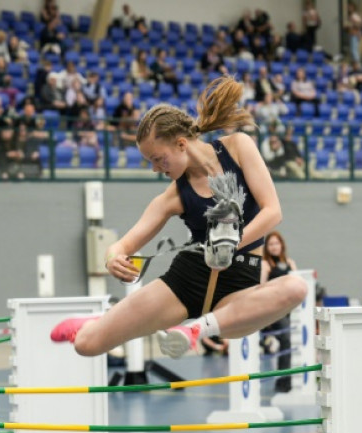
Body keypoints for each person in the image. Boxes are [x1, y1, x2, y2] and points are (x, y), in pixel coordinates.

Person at [50, 77, 307, 358]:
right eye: (151, 162)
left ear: (182, 144)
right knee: (86, 345)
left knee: (296, 287)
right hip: (186, 282)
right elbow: (122, 246)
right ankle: (94, 325)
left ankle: (196, 330)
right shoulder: (173, 197)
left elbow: (273, 211)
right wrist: (113, 259)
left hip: (239, 287)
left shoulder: (237, 147)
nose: (155, 169)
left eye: (158, 159)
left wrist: (231, 242)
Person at [261, 231, 297, 393]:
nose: (274, 247)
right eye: (271, 244)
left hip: (288, 309)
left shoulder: (290, 263)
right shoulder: (266, 265)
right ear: (267, 248)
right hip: (273, 310)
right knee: (286, 340)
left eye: (276, 243)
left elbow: (297, 282)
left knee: (286, 343)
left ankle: (284, 382)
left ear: (282, 245)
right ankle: (284, 382)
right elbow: (261, 288)